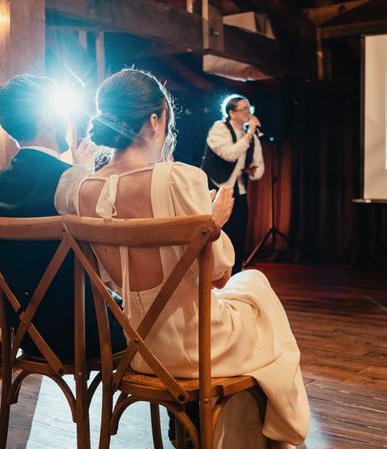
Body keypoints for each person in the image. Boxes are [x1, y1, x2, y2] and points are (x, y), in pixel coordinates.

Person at [75, 69, 309, 448]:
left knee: (253, 292)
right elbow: (218, 276)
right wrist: (212, 223)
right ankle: (276, 432)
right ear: (154, 121)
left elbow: (103, 278)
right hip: (193, 350)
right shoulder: (178, 179)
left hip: (136, 350)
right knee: (256, 286)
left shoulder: (83, 189)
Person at [0, 74, 126, 360]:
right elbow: (108, 262)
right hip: (89, 331)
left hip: (30, 335)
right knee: (160, 320)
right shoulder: (69, 180)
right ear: (48, 116)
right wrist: (83, 173)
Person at [201, 95, 265, 274]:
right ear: (231, 112)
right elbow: (229, 154)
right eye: (243, 109)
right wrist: (250, 133)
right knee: (216, 236)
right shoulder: (219, 128)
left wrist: (252, 170)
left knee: (238, 238)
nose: (248, 113)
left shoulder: (251, 138)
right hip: (215, 188)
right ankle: (213, 277)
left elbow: (259, 168)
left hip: (239, 192)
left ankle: (235, 277)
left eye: (249, 109)